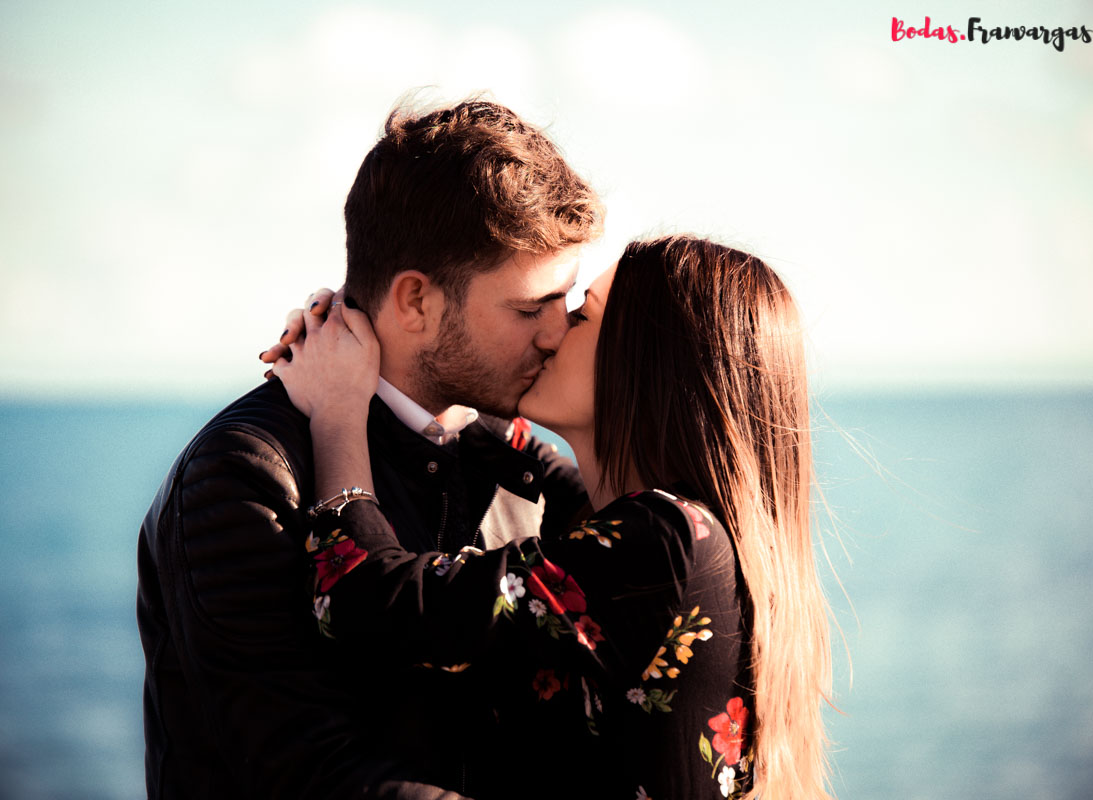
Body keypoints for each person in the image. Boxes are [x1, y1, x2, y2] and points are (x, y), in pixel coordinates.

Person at [136, 99, 603, 799]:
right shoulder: (243, 475)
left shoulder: (520, 468)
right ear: (415, 300)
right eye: (528, 307)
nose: (553, 334)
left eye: (563, 303)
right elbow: (309, 775)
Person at [272, 236, 836, 799]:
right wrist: (409, 344)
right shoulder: (685, 532)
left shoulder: (665, 542)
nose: (552, 333)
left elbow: (370, 604)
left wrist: (338, 409)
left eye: (582, 314)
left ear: (642, 364)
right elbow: (523, 461)